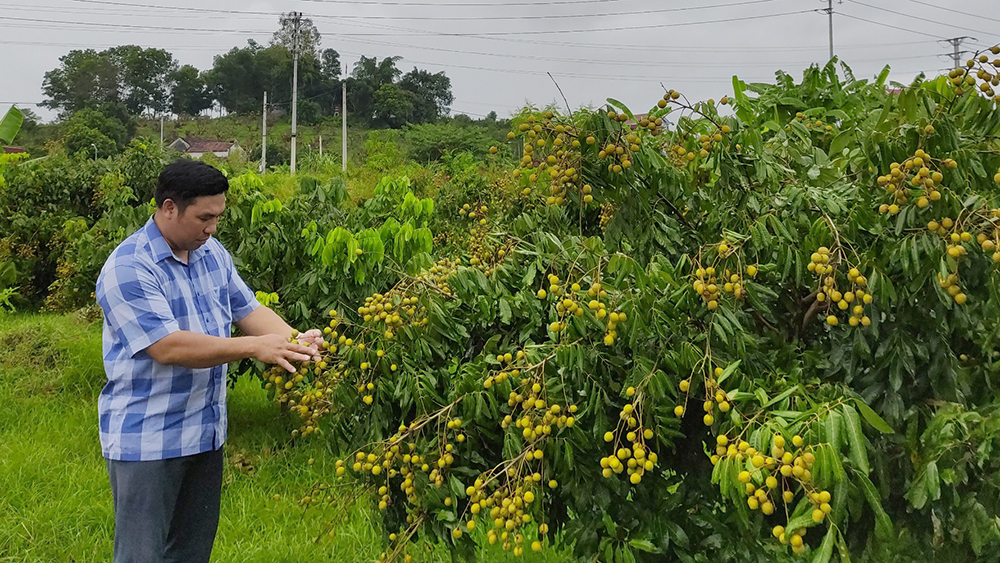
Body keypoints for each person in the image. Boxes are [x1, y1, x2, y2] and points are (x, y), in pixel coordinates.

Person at [94, 159, 322, 563]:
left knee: (190, 552)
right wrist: (253, 348)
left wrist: (293, 340)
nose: (212, 228)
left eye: (217, 217)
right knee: (141, 555)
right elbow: (168, 347)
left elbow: (247, 309)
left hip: (205, 434)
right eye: (204, 218)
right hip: (149, 439)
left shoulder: (211, 252)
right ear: (168, 208)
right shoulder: (129, 267)